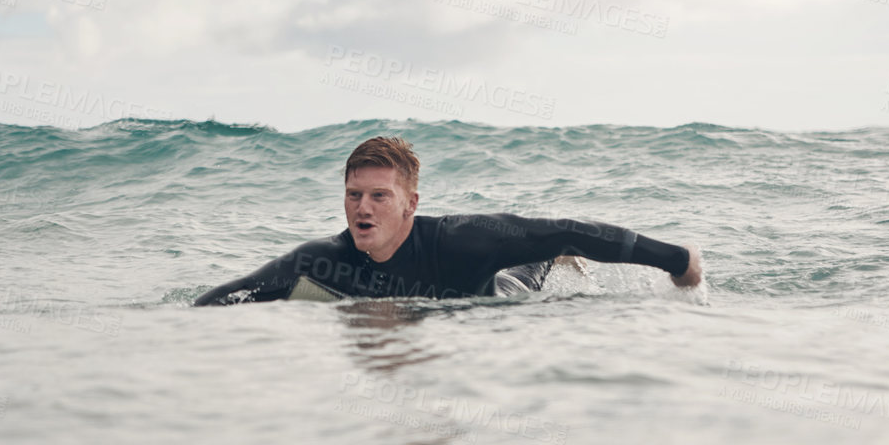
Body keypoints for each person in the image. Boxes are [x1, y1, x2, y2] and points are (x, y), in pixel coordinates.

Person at [192, 136, 702, 306]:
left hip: (499, 295)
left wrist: (677, 260)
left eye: (378, 196)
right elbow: (226, 300)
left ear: (411, 203)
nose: (362, 208)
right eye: (353, 195)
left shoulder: (464, 241)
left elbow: (568, 227)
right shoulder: (321, 260)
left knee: (540, 260)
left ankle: (551, 264)